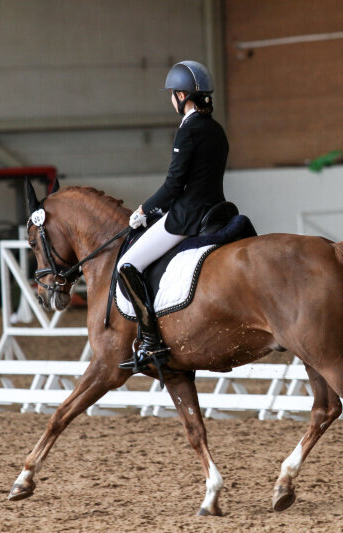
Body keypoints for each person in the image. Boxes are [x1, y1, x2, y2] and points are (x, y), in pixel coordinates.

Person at [117, 60, 229, 371]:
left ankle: (151, 340)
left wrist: (144, 210)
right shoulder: (216, 129)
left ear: (182, 96)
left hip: (188, 217)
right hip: (216, 210)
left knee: (128, 264)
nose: (170, 100)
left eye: (171, 94)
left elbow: (174, 184)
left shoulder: (188, 131)